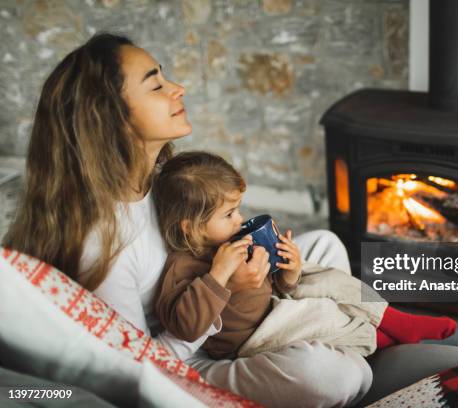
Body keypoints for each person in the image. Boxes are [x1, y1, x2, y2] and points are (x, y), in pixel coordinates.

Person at [2, 33, 371, 407]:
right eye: (156, 85)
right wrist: (224, 288)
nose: (178, 89)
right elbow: (145, 367)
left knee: (325, 242)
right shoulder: (102, 244)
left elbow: (204, 241)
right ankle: (348, 342)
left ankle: (341, 335)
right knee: (328, 375)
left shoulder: (160, 180)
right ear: (110, 115)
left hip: (227, 304)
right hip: (194, 357)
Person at [152, 150, 457, 360]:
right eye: (229, 213)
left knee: (324, 276)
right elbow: (185, 327)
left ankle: (393, 318)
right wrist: (221, 279)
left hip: (274, 304)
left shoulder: (230, 240)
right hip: (253, 336)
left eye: (238, 209)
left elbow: (276, 286)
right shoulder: (181, 268)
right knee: (322, 313)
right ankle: (379, 341)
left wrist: (288, 270)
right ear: (191, 228)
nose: (239, 218)